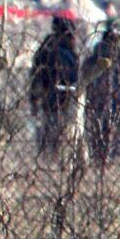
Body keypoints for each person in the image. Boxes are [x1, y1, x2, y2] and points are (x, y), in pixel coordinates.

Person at [27, 14, 81, 155]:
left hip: (47, 101)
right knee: (58, 141)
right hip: (60, 101)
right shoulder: (62, 50)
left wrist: (34, 99)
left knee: (48, 139)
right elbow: (72, 77)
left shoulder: (45, 48)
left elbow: (35, 75)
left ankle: (47, 159)